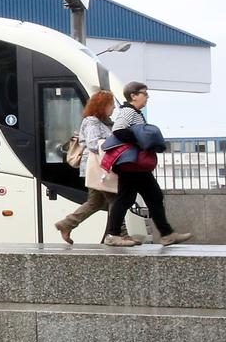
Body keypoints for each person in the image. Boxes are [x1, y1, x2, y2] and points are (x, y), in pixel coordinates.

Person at [101, 83, 193, 247]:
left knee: (148, 196)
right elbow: (118, 130)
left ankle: (166, 234)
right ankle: (114, 234)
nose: (147, 97)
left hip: (134, 165)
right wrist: (139, 139)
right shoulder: (129, 112)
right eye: (144, 94)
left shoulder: (134, 112)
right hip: (131, 164)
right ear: (133, 96)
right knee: (134, 198)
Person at [52, 92, 118, 243]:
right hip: (97, 168)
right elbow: (94, 144)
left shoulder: (106, 123)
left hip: (101, 167)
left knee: (95, 202)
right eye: (111, 104)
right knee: (115, 199)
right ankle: (119, 233)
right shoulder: (91, 122)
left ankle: (66, 224)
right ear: (102, 105)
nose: (114, 107)